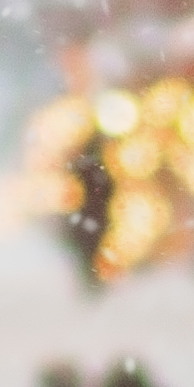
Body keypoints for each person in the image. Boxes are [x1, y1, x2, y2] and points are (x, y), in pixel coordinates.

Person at [61, 120, 120, 293]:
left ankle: (91, 281)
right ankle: (93, 281)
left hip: (87, 217)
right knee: (91, 249)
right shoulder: (103, 164)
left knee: (87, 250)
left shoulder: (82, 165)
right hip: (94, 216)